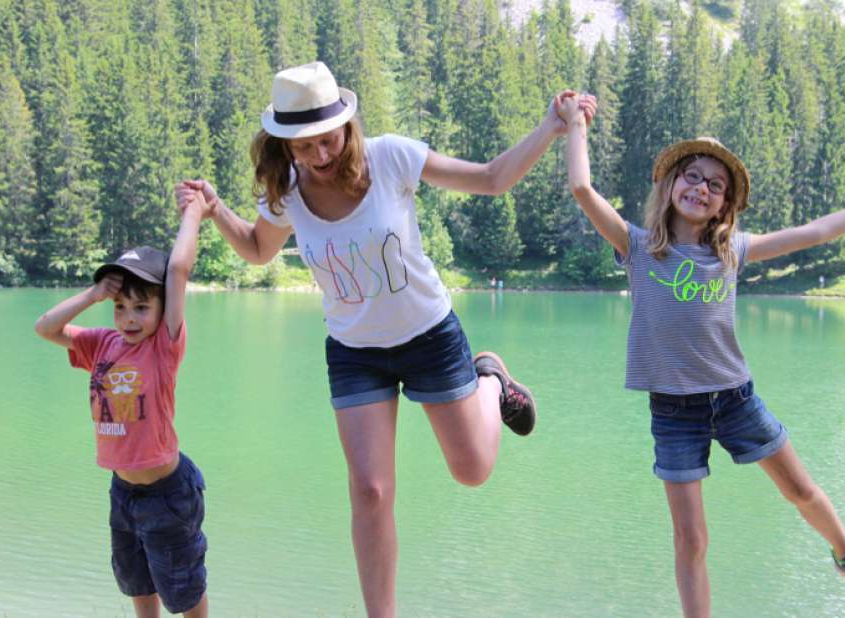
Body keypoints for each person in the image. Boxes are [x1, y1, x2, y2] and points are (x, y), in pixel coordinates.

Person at [174, 61, 595, 617]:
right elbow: (258, 249)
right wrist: (212, 209)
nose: (320, 156)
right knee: (370, 492)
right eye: (304, 148)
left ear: (348, 127)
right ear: (284, 146)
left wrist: (551, 126)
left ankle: (490, 381)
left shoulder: (391, 156)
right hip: (353, 352)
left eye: (328, 140)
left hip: (428, 335)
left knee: (473, 470)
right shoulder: (287, 192)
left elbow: (492, 179)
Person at [559, 94, 845, 617]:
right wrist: (574, 126)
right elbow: (582, 188)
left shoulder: (732, 251)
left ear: (725, 205)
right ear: (670, 185)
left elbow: (813, 233)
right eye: (692, 176)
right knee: (692, 540)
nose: (701, 188)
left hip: (736, 399)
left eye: (715, 185)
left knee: (801, 491)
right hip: (674, 413)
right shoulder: (636, 247)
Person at [34, 192, 210, 617]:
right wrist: (93, 295)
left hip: (167, 493)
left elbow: (180, 270)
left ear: (163, 310)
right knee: (136, 580)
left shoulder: (162, 348)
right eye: (121, 306)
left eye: (142, 307)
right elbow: (45, 328)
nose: (130, 318)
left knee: (182, 588)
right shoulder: (103, 344)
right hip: (123, 491)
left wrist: (194, 213)